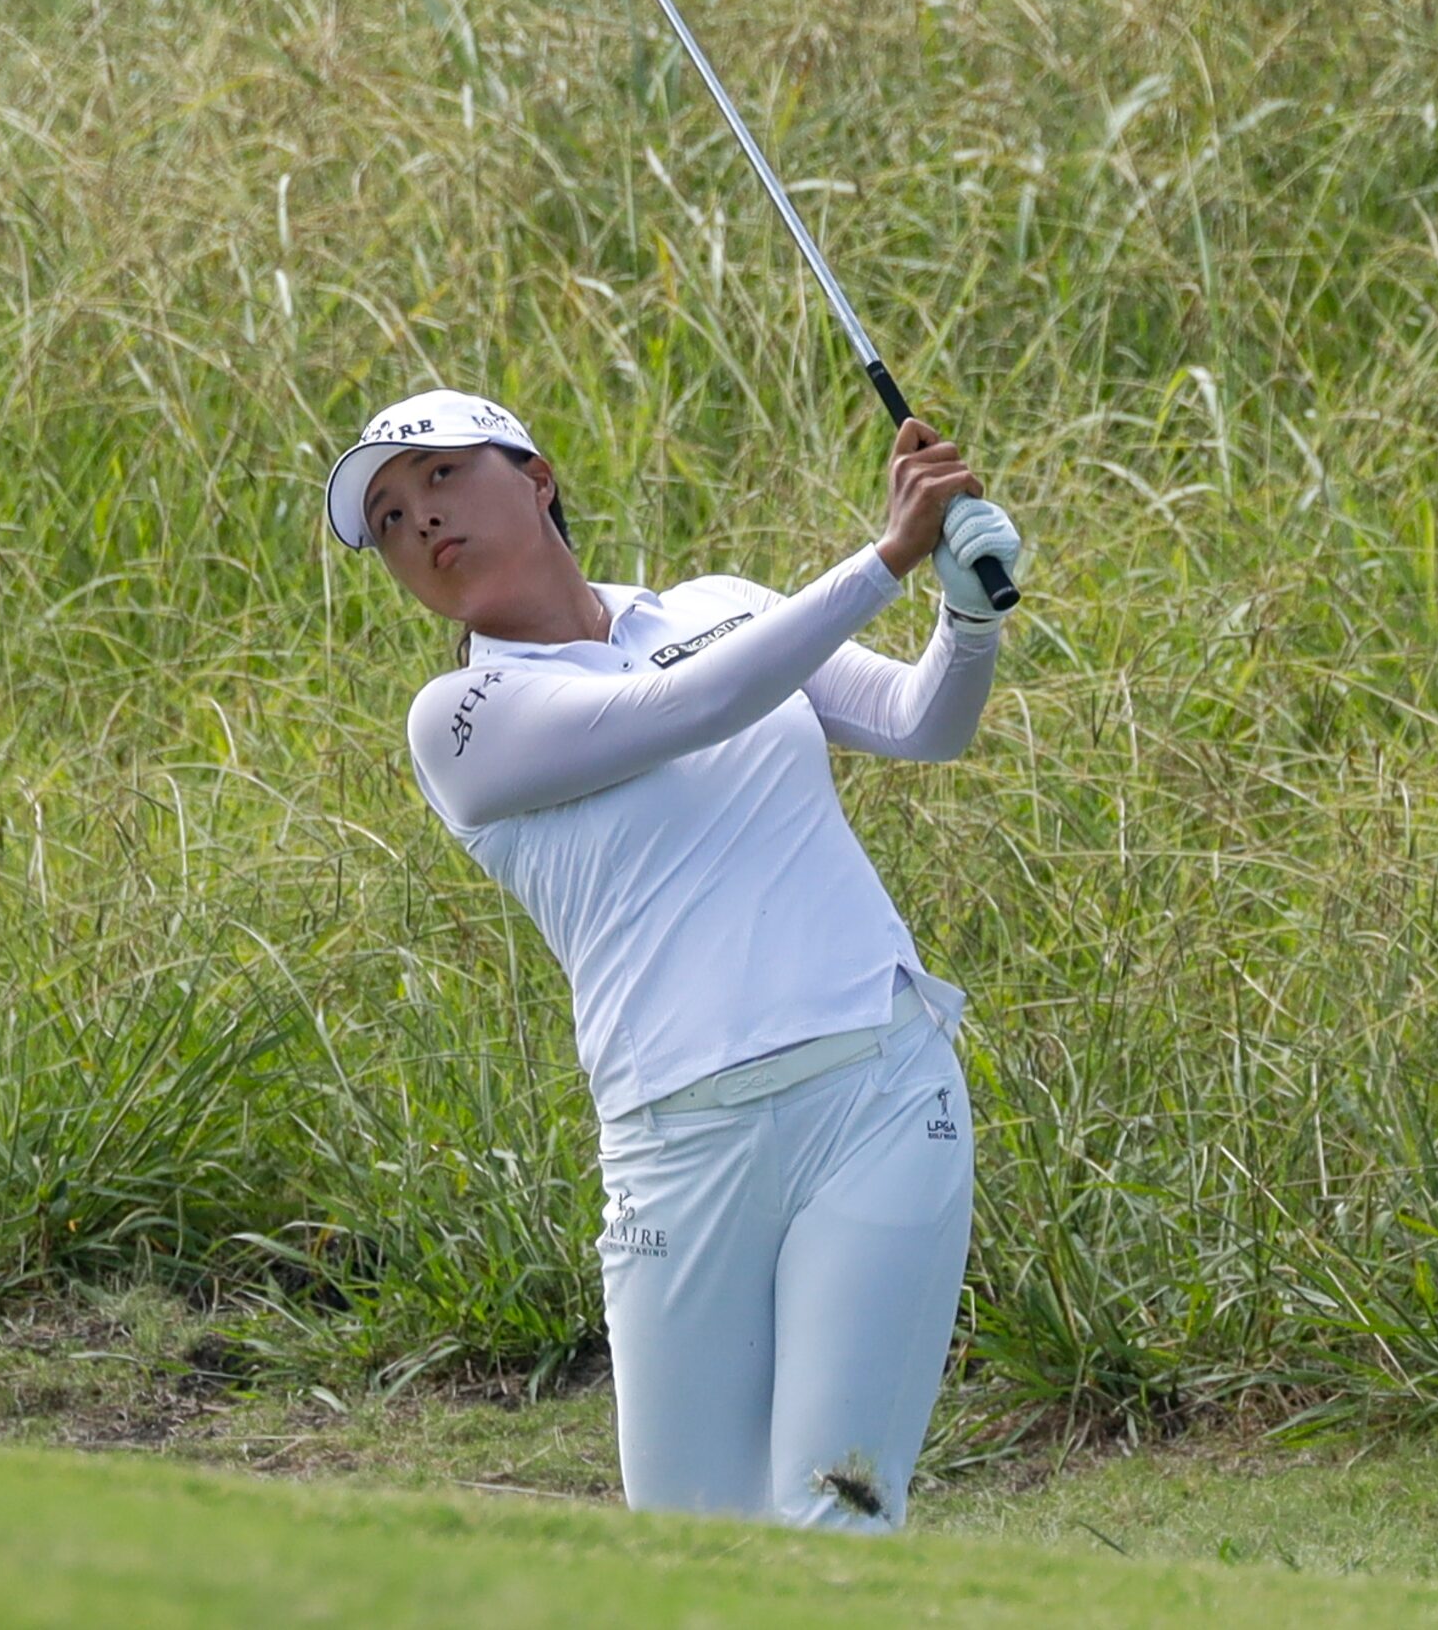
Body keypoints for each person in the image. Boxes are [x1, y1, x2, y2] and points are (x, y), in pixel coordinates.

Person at [323, 387, 1021, 1533]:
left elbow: (915, 723)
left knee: (832, 1520)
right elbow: (694, 705)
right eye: (390, 520)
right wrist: (886, 556)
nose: (421, 524)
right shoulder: (460, 717)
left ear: (537, 476)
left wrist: (965, 613)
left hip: (877, 1097)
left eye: (442, 477)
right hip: (675, 1148)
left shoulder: (718, 606)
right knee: (688, 1555)